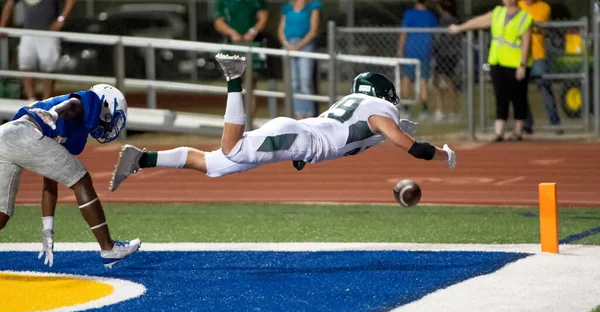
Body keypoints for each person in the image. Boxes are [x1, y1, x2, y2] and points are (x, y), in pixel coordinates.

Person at [108, 54, 456, 194]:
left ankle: (141, 159)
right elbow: (409, 147)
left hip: (294, 135)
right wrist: (443, 155)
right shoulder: (381, 109)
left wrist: (395, 131)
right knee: (233, 147)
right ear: (385, 94)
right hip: (295, 136)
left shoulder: (360, 106)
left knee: (214, 165)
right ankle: (234, 79)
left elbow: (354, 136)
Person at [0, 84, 141, 268]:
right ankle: (108, 248)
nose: (109, 124)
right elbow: (73, 104)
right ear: (105, 104)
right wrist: (55, 113)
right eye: (110, 117)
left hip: (6, 136)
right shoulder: (90, 100)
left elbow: (50, 182)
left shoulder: (76, 133)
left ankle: (108, 248)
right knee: (81, 179)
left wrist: (47, 230)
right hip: (24, 132)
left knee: (2, 215)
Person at [449, 0, 533, 141]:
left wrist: (522, 65)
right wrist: (460, 27)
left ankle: (518, 131)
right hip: (497, 61)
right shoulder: (498, 12)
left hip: (516, 63)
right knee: (500, 96)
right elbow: (480, 21)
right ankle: (499, 132)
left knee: (518, 97)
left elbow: (526, 42)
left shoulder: (525, 17)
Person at [0, 0, 75, 102]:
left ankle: (47, 100)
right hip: (28, 31)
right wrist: (3, 26)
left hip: (49, 32)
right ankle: (31, 99)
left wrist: (61, 19)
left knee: (49, 66)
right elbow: (9, 3)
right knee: (25, 64)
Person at [214, 0, 269, 118]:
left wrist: (252, 32)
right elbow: (219, 21)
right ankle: (234, 120)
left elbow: (263, 17)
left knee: (250, 84)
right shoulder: (223, 2)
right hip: (232, 45)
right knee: (233, 84)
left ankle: (249, 120)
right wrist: (232, 33)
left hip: (252, 45)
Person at [519, 0, 562, 135]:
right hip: (520, 55)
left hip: (538, 54)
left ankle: (555, 124)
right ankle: (527, 124)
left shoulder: (543, 7)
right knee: (520, 91)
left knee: (545, 88)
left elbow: (538, 28)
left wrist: (523, 25)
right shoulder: (518, 5)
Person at [278, 0, 322, 120]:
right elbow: (281, 30)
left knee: (305, 81)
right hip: (289, 45)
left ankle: (308, 116)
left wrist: (299, 46)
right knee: (294, 83)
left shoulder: (313, 6)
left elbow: (313, 30)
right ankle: (299, 115)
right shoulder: (287, 7)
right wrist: (287, 44)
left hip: (305, 46)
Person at [397, 0, 438, 121]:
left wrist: (400, 49)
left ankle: (406, 109)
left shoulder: (409, 14)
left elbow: (404, 33)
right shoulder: (431, 16)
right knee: (423, 80)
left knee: (406, 78)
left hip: (410, 50)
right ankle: (424, 110)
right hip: (425, 51)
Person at [432, 0, 462, 123]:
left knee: (440, 84)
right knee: (451, 83)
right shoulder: (455, 20)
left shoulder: (443, 21)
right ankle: (452, 111)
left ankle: (441, 110)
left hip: (443, 55)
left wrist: (434, 50)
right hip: (453, 55)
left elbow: (438, 40)